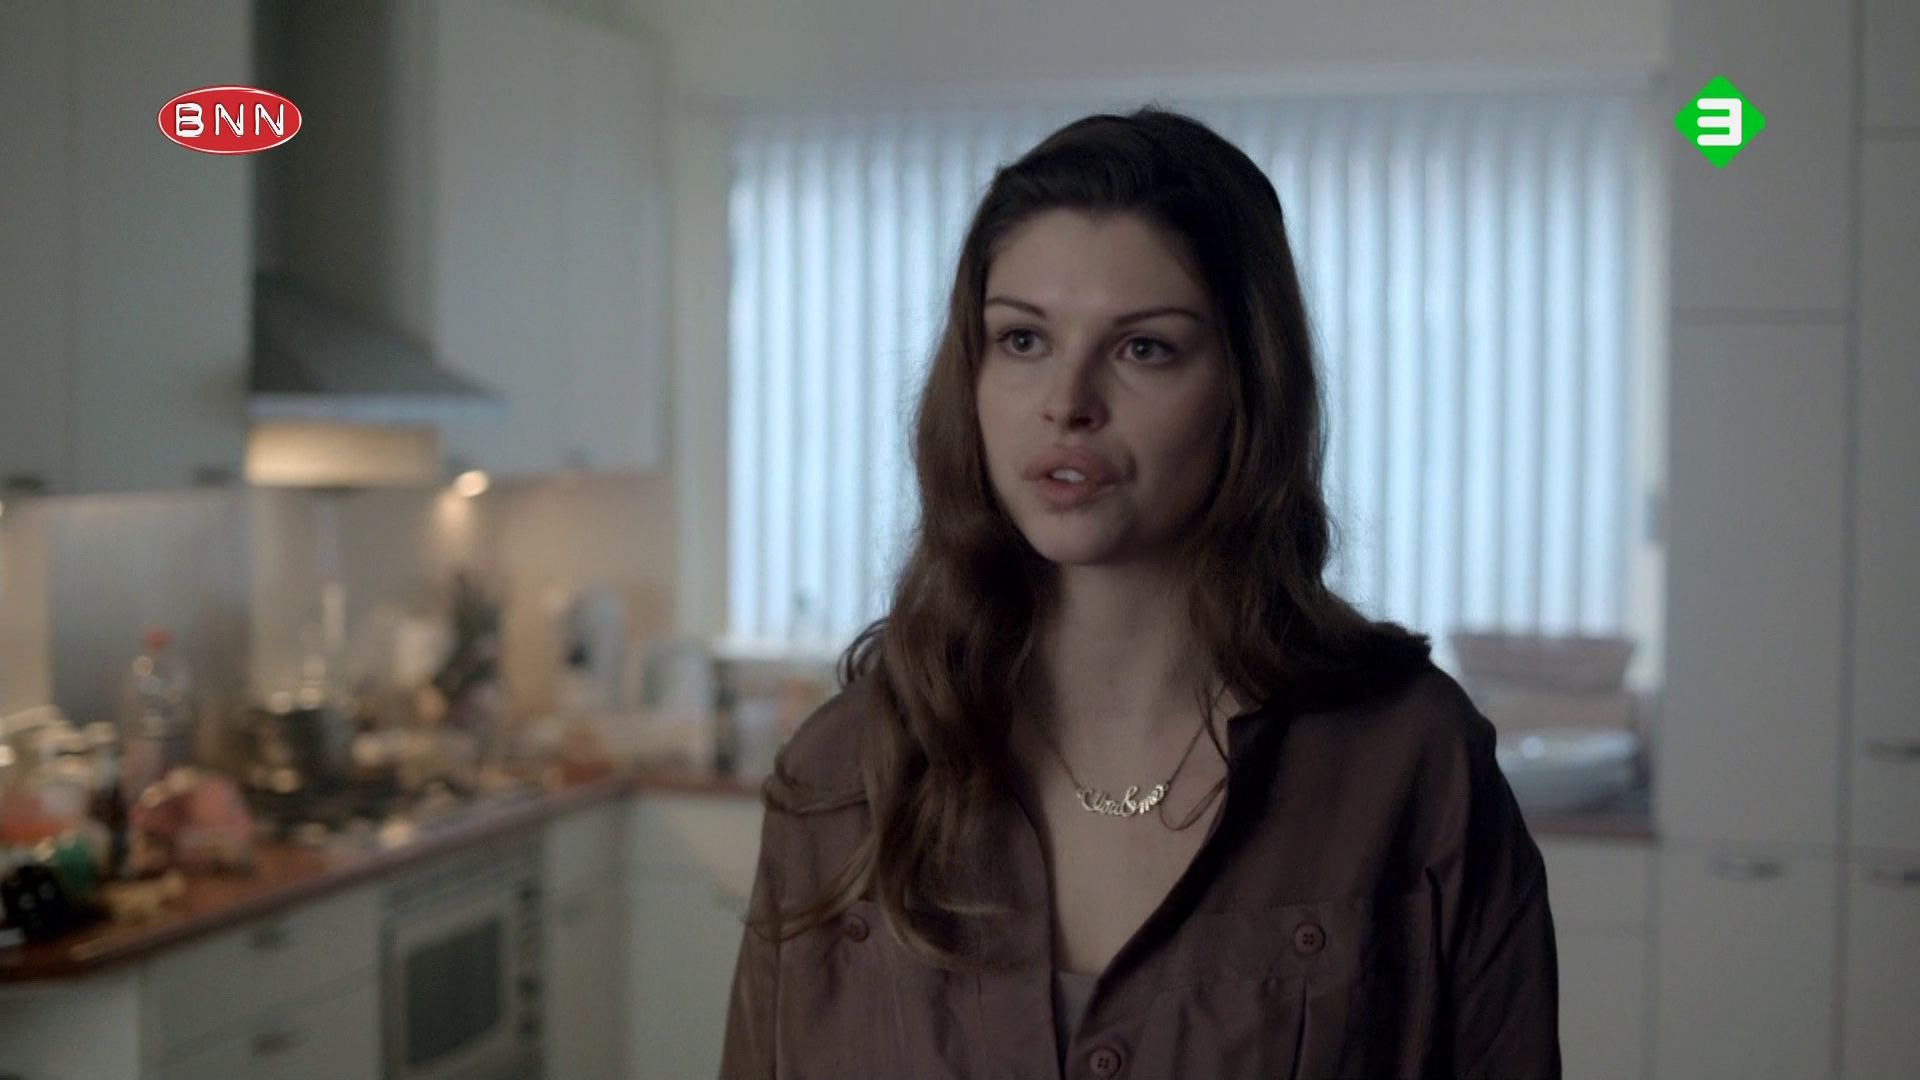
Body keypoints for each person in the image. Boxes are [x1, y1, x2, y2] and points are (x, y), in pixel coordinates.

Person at [719, 106, 1560, 1080]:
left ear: (1248, 385)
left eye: (1144, 348)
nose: (1067, 402)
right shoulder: (842, 773)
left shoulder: (1410, 763)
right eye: (1022, 339)